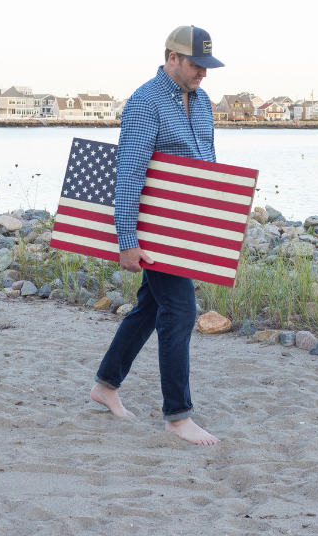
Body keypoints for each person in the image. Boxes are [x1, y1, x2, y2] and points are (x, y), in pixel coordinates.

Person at [89, 25, 225, 445]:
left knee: (150, 307)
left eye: (207, 66)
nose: (203, 73)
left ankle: (105, 386)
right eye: (195, 64)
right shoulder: (145, 103)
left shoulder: (202, 102)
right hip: (154, 228)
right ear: (171, 58)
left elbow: (207, 165)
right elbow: (128, 173)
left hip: (186, 228)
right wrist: (126, 238)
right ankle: (177, 416)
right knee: (181, 311)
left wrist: (213, 219)